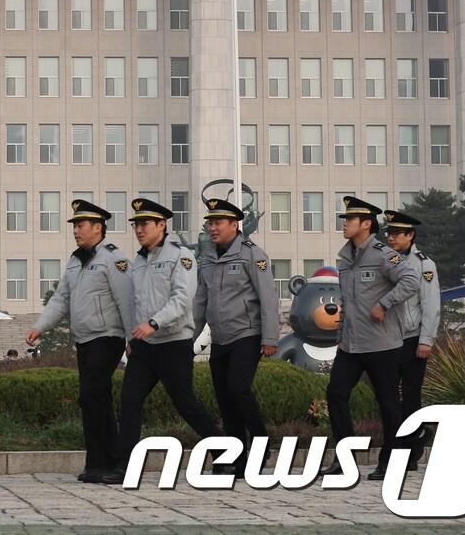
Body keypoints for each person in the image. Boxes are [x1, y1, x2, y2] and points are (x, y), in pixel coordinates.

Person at [103, 197, 219, 485]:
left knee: (185, 403)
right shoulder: (138, 261)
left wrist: (153, 324)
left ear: (162, 224)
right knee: (129, 401)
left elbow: (182, 300)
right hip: (144, 346)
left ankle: (225, 451)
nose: (139, 229)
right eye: (136, 224)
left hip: (173, 343)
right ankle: (124, 466)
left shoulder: (181, 257)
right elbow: (134, 302)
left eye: (145, 223)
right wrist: (133, 334)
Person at [25, 199, 132, 484]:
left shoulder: (114, 258)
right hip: (84, 340)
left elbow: (126, 301)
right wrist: (40, 327)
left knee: (91, 395)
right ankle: (100, 462)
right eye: (75, 225)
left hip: (107, 337)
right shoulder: (75, 261)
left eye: (81, 225)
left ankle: (105, 461)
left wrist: (132, 336)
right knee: (95, 399)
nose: (76, 230)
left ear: (98, 228)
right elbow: (61, 299)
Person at [320, 197, 419, 481]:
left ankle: (390, 462)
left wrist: (385, 303)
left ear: (366, 224)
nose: (344, 223)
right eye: (344, 219)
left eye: (349, 220)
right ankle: (345, 458)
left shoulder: (383, 254)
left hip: (381, 344)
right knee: (335, 394)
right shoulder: (344, 257)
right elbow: (347, 300)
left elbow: (411, 280)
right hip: (351, 344)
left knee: (388, 403)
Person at [192, 197, 279, 474]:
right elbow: (199, 302)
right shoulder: (207, 258)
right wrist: (189, 338)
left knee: (238, 389)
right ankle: (237, 457)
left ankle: (262, 443)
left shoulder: (253, 255)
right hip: (220, 338)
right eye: (210, 223)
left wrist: (270, 338)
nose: (212, 228)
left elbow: (268, 298)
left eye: (218, 223)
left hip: (247, 334)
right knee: (225, 398)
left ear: (234, 224)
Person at [384, 209, 440, 470]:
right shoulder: (386, 260)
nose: (391, 238)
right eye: (389, 233)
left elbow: (431, 305)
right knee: (387, 396)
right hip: (387, 338)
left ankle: (412, 450)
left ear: (410, 235)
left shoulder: (424, 264)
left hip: (412, 337)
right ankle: (397, 445)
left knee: (410, 395)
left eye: (397, 233)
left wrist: (426, 339)